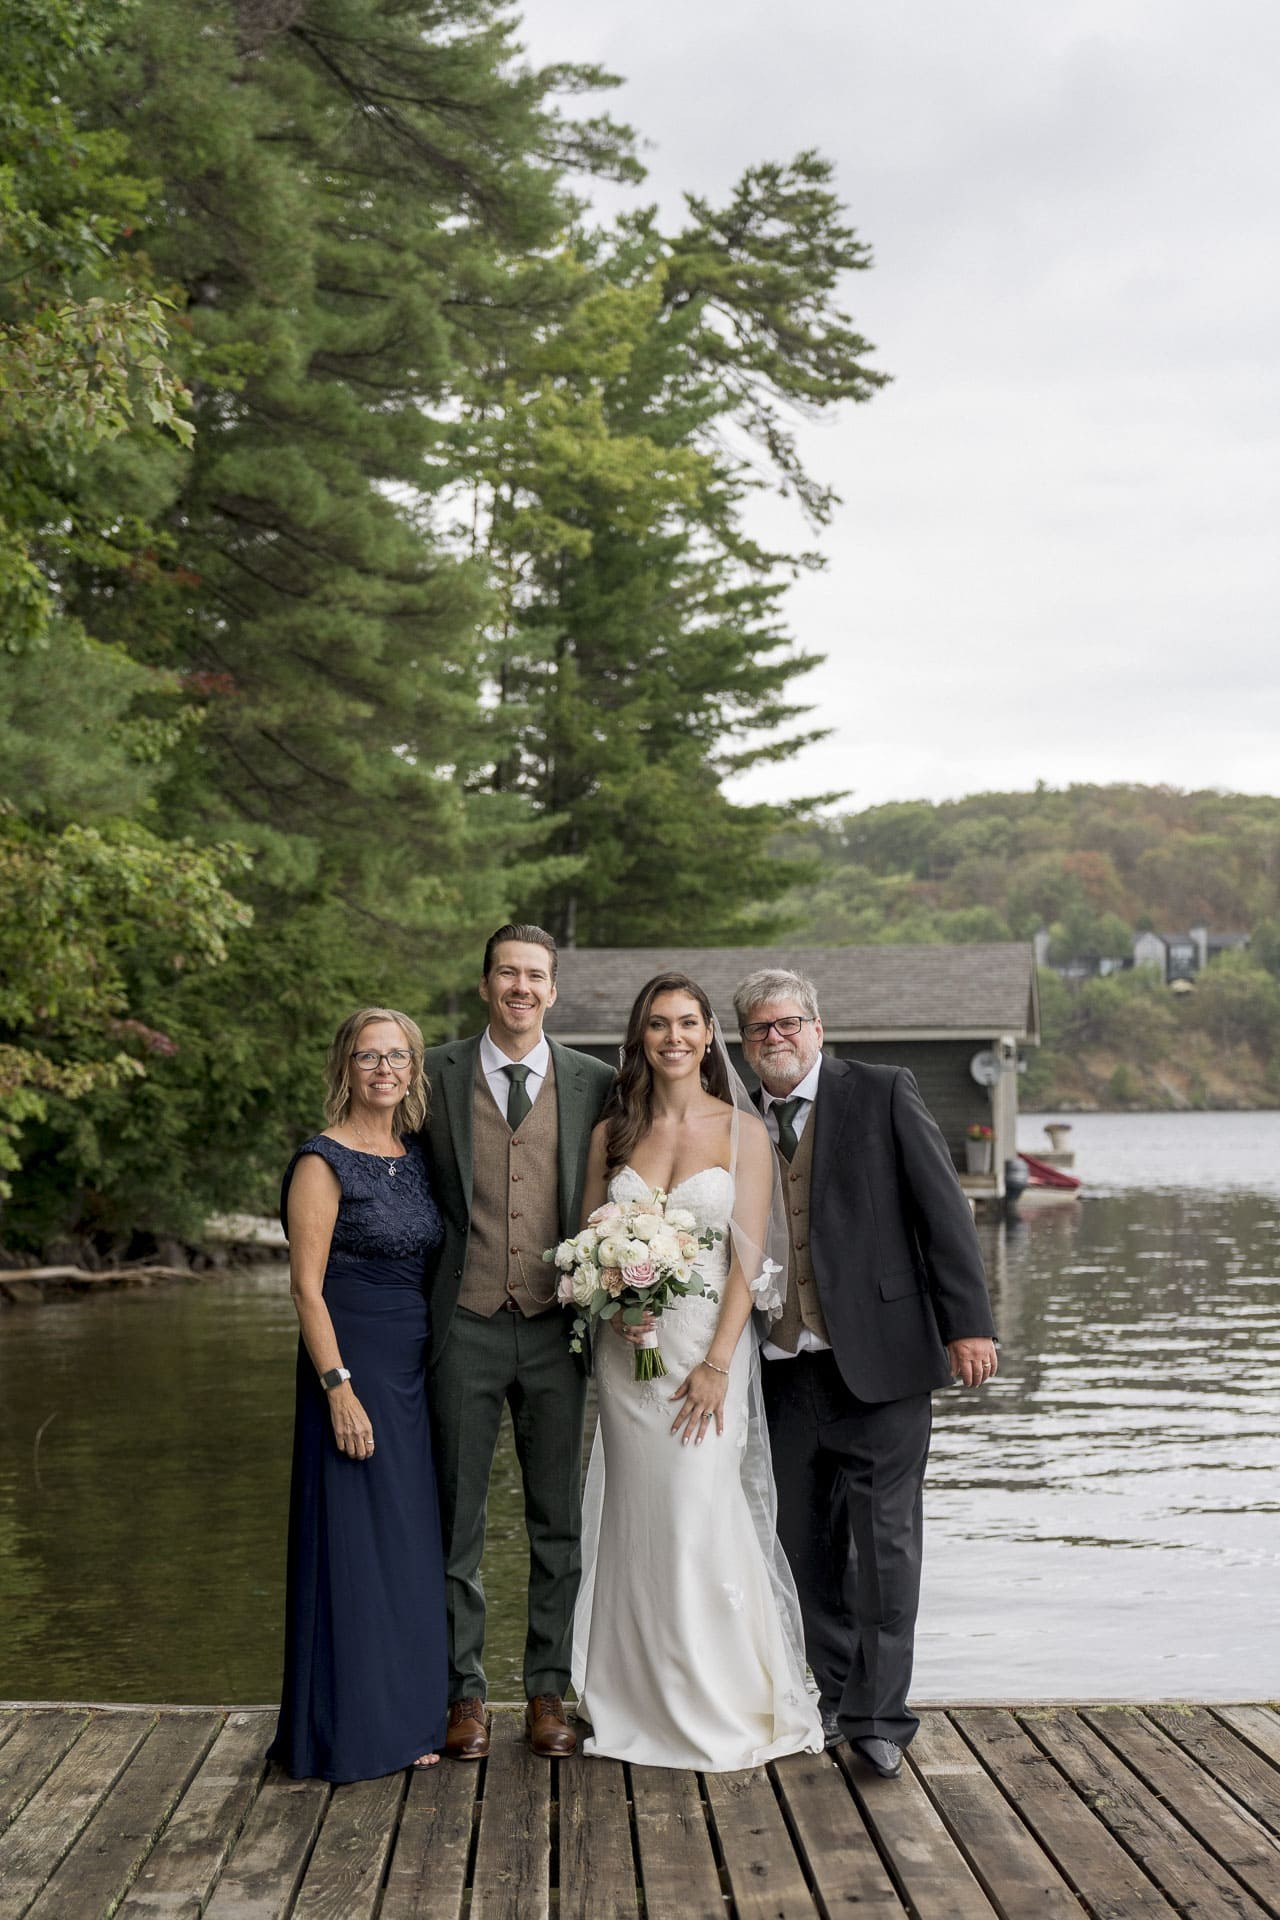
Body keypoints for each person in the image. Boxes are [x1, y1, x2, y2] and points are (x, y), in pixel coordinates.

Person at [734, 967, 998, 1781]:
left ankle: (882, 1719)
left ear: (818, 1026)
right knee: (802, 1550)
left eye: (788, 1025)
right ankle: (840, 1696)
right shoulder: (737, 1118)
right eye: (759, 1031)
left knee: (886, 1550)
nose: (775, 1040)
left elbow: (941, 1212)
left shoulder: (882, 1091)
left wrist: (969, 1326)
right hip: (779, 1373)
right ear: (744, 1044)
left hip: (884, 1362)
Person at [571, 972, 824, 1771]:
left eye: (688, 1023)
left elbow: (752, 1260)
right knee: (634, 1519)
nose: (673, 1037)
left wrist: (718, 1362)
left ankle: (715, 1694)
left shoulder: (742, 1130)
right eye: (657, 1024)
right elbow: (586, 1243)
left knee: (696, 1513)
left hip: (704, 1350)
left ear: (710, 1033)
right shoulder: (612, 1131)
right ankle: (634, 1698)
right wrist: (613, 1298)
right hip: (627, 1353)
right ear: (639, 1036)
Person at [422, 924, 615, 1759]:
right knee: (453, 1520)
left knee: (556, 1523)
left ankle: (546, 1694)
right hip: (459, 1323)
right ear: (485, 985)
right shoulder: (433, 1073)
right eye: (508, 973)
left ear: (554, 989)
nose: (522, 988)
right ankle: (462, 1695)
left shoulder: (594, 1081)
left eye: (536, 975)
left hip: (554, 1329)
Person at [271, 1006, 448, 1782]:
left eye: (399, 1056)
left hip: (413, 1369)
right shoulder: (321, 1161)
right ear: (345, 1065)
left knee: (405, 1549)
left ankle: (408, 1719)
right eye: (370, 1055)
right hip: (352, 1367)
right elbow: (306, 1290)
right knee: (351, 1545)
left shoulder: (413, 1156)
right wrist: (338, 1387)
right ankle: (348, 1733)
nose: (385, 1069)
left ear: (413, 1070)